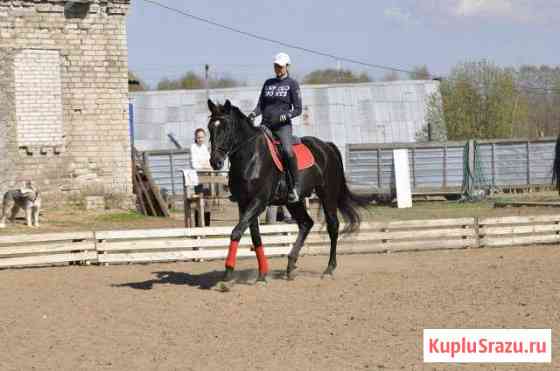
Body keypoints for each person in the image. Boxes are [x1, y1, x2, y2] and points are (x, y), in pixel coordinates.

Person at [249, 52, 302, 203]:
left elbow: (298, 109)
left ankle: (295, 186)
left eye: (280, 66)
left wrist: (285, 116)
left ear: (287, 66)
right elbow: (261, 105)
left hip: (282, 127)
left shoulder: (292, 84)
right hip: (265, 125)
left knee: (286, 150)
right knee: (252, 147)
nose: (277, 68)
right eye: (275, 66)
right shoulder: (268, 83)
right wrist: (253, 113)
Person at [190, 128, 211, 226]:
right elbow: (194, 164)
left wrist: (204, 164)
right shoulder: (193, 147)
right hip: (197, 178)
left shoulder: (204, 147)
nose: (200, 139)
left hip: (207, 177)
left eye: (202, 137)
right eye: (198, 137)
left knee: (207, 202)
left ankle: (207, 226)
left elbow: (209, 162)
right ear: (195, 138)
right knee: (198, 201)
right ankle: (198, 226)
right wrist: (204, 165)